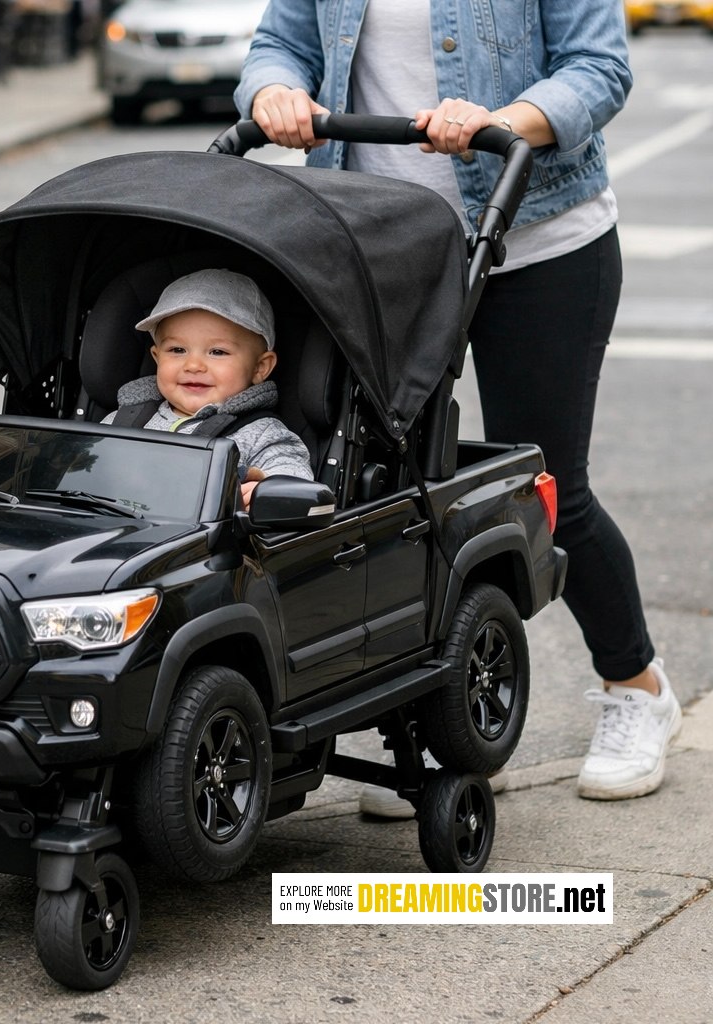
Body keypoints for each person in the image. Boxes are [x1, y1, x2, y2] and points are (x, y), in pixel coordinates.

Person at [235, 0, 681, 809]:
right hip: (383, 248)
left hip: (544, 242)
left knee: (545, 490)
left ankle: (637, 688)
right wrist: (272, 91)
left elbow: (598, 70)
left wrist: (501, 119)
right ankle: (455, 725)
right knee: (396, 498)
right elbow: (281, 45)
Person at [103, 268, 314, 508]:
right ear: (157, 357)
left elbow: (293, 479)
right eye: (177, 350)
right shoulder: (121, 421)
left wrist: (265, 492)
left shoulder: (262, 434)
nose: (193, 365)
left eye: (217, 352)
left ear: (260, 368)